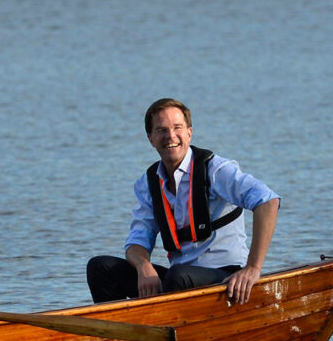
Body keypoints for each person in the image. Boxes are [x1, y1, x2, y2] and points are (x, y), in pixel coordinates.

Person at [87, 99, 281, 306]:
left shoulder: (216, 170)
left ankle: (165, 329)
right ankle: (118, 334)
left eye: (177, 128)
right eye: (161, 130)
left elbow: (268, 201)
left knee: (177, 277)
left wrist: (253, 268)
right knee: (99, 267)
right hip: (178, 280)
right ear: (150, 139)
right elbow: (136, 243)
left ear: (189, 132)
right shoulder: (148, 183)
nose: (170, 136)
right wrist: (144, 266)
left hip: (225, 277)